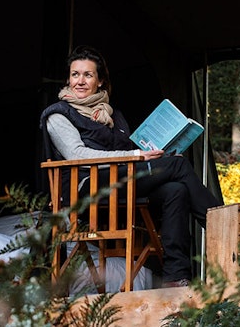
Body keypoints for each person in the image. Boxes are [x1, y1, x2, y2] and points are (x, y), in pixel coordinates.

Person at [40, 45, 222, 288]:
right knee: (178, 167)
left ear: (101, 81)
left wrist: (156, 153)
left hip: (120, 184)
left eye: (88, 75)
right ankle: (227, 228)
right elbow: (76, 154)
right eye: (75, 74)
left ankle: (176, 277)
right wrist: (136, 155)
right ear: (68, 79)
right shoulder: (58, 115)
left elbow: (131, 150)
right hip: (86, 190)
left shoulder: (114, 117)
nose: (80, 81)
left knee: (176, 190)